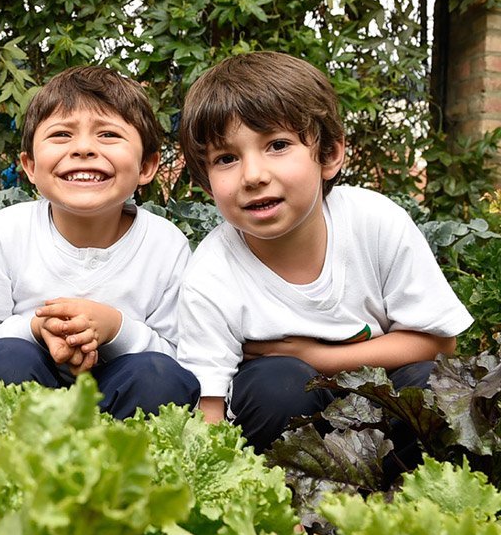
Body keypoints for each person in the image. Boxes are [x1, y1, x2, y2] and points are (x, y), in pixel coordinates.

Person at [176, 51, 473, 456]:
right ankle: (296, 507)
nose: (253, 175)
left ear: (329, 155)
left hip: (383, 419)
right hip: (287, 431)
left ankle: (412, 504)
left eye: (277, 145)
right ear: (208, 184)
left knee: (430, 383)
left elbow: (439, 342)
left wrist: (316, 356)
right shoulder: (211, 274)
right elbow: (208, 408)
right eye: (226, 158)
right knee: (275, 383)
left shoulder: (375, 221)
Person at [0, 65, 201, 425]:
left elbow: (182, 360)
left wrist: (116, 329)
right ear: (30, 165)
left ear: (147, 165)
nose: (84, 149)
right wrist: (35, 330)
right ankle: (10, 474)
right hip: (32, 400)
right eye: (62, 135)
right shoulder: (8, 231)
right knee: (1, 361)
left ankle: (125, 478)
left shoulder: (165, 244)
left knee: (157, 376)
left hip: (120, 400)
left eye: (109, 135)